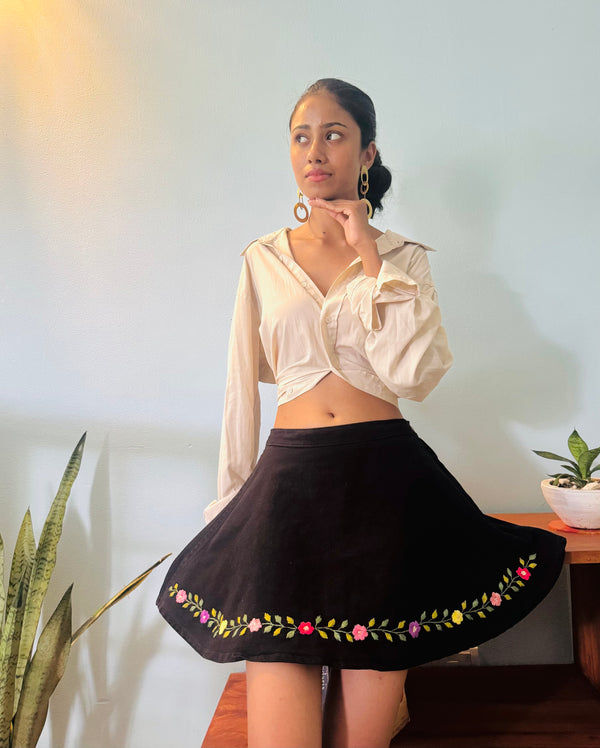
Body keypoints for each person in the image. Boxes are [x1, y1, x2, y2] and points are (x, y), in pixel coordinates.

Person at [157, 79, 566, 748]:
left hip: (386, 491)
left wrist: (372, 258)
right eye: (301, 137)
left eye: (334, 134)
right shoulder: (263, 259)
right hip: (288, 492)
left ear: (367, 152)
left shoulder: (404, 261)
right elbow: (240, 391)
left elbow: (413, 376)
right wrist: (229, 507)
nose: (315, 150)